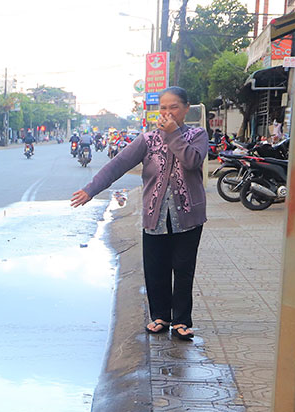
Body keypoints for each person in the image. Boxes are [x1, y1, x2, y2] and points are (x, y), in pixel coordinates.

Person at [70, 86, 209, 340]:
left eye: (174, 107)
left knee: (183, 268)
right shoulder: (147, 140)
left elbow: (191, 161)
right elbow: (117, 165)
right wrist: (91, 190)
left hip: (188, 217)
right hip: (155, 215)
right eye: (163, 108)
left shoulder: (197, 135)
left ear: (186, 109)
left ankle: (181, 321)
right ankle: (160, 317)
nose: (167, 112)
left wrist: (174, 135)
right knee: (156, 268)